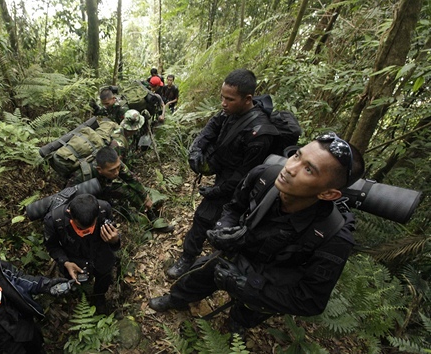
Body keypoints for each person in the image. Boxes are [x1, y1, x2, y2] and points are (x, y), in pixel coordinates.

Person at [149, 134, 365, 337]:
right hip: (239, 251)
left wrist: (247, 287)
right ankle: (176, 299)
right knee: (199, 275)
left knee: (248, 313)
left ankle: (236, 325)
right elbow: (234, 208)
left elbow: (311, 301)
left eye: (308, 170)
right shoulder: (265, 175)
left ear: (328, 193)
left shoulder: (333, 237)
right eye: (297, 155)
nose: (290, 168)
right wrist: (224, 228)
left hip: (272, 280)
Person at [166, 68, 278, 279]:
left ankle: (192, 261)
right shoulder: (230, 111)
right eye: (222, 97)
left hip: (239, 184)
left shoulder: (259, 134)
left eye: (229, 99)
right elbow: (212, 126)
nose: (223, 103)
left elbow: (244, 175)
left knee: (206, 218)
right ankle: (192, 257)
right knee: (206, 219)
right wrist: (197, 148)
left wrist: (216, 191)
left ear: (248, 99)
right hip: (225, 173)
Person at [43, 193, 121, 314]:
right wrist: (65, 262)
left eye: (90, 227)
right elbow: (52, 246)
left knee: (104, 278)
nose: (85, 232)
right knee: (76, 285)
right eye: (80, 227)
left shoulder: (104, 209)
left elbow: (114, 234)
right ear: (69, 213)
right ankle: (77, 299)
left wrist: (114, 240)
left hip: (101, 256)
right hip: (74, 259)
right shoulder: (54, 220)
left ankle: (99, 298)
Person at [67, 146, 157, 222]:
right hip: (87, 196)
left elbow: (131, 179)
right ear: (99, 170)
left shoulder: (115, 164)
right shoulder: (81, 176)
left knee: (127, 191)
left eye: (118, 168)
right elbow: (67, 198)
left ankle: (148, 216)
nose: (117, 172)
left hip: (104, 187)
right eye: (112, 170)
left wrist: (145, 197)